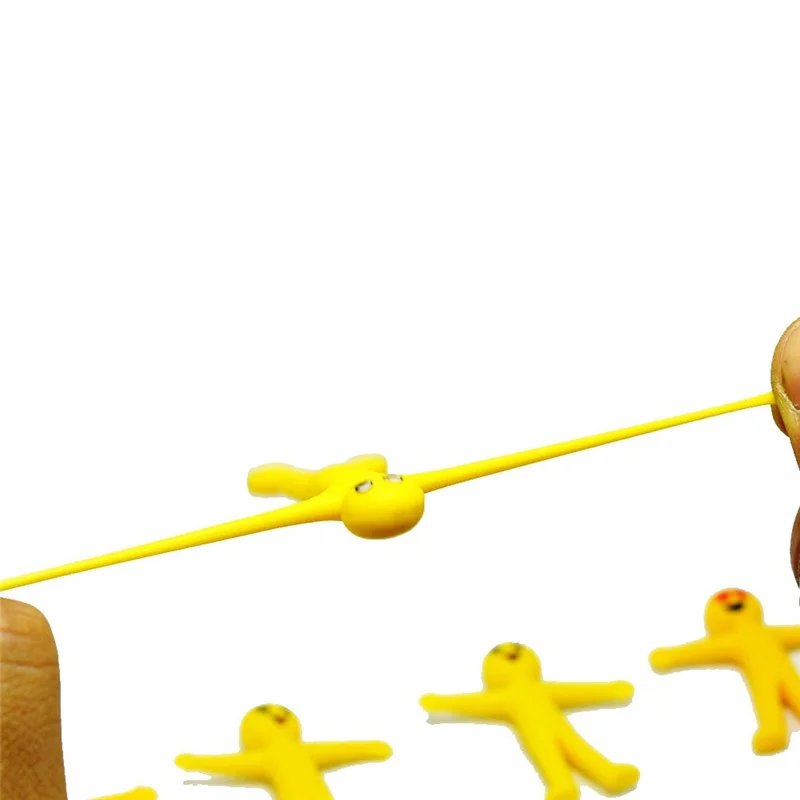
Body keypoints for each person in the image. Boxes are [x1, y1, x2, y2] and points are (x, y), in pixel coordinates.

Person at [3, 318, 800, 800]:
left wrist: (655, 665)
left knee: (581, 752)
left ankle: (574, 777)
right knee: (299, 483)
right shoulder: (342, 492)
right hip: (330, 489)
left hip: (342, 491)